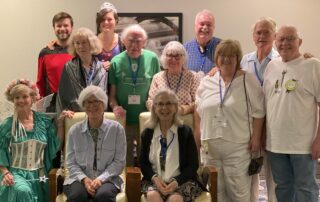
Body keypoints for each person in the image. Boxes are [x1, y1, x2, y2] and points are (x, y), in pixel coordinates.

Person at [195, 39, 265, 201]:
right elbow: (198, 112)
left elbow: (259, 112)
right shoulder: (207, 81)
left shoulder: (248, 80)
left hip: (238, 146)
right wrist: (197, 139)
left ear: (237, 58)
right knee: (216, 191)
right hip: (210, 147)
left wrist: (256, 138)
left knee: (238, 191)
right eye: (222, 55)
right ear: (216, 58)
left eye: (230, 55)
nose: (226, 59)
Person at [263, 25, 320, 202]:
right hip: (276, 144)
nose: (285, 43)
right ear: (275, 42)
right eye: (281, 39)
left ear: (299, 42)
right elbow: (267, 104)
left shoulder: (313, 66)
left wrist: (319, 139)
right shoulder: (271, 66)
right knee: (283, 188)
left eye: (290, 38)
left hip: (302, 144)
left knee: (306, 188)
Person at [0, 79, 63, 201]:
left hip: (40, 175)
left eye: (25, 96)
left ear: (33, 98)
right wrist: (5, 173)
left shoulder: (44, 122)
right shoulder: (7, 125)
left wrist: (60, 124)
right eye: (17, 97)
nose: (21, 100)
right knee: (23, 191)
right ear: (13, 100)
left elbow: (55, 145)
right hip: (16, 174)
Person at [63, 85, 126, 202]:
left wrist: (101, 179)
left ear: (104, 104)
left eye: (96, 101)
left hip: (109, 179)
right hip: (78, 179)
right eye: (88, 102)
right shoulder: (74, 131)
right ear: (83, 105)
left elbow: (119, 162)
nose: (92, 106)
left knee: (104, 195)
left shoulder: (117, 129)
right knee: (77, 195)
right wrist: (85, 179)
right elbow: (71, 162)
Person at [109, 24, 160, 166]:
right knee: (125, 161)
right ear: (124, 41)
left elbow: (158, 89)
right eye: (131, 40)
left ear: (144, 42)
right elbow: (111, 95)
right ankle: (127, 187)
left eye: (138, 41)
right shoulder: (116, 61)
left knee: (148, 159)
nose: (134, 45)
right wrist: (115, 107)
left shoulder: (153, 59)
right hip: (124, 120)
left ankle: (146, 186)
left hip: (147, 119)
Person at [140, 89, 204, 202]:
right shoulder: (147, 133)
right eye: (160, 104)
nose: (164, 108)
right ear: (154, 108)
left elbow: (193, 165)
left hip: (182, 181)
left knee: (175, 199)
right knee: (153, 196)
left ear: (175, 108)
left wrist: (176, 182)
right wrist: (155, 179)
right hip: (154, 181)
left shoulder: (185, 132)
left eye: (169, 103)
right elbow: (143, 163)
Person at [241, 17, 278, 202]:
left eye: (266, 32)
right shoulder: (244, 60)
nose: (262, 36)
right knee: (251, 170)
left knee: (273, 174)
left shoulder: (281, 61)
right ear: (253, 36)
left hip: (274, 123)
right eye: (258, 32)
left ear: (275, 35)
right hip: (250, 123)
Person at [56, 27, 108, 114]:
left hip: (97, 114)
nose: (80, 46)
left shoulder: (101, 68)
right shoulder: (69, 67)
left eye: (84, 43)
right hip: (75, 116)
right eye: (77, 43)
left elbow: (103, 94)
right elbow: (63, 96)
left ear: (91, 44)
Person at [147, 41, 199, 115]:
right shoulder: (157, 77)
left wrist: (183, 109)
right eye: (170, 55)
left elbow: (198, 102)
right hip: (162, 121)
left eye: (177, 56)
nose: (173, 59)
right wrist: (162, 110)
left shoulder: (193, 77)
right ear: (164, 57)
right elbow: (150, 101)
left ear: (183, 58)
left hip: (185, 122)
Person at [37, 12, 73, 111]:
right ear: (54, 28)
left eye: (66, 25)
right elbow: (40, 82)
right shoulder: (45, 52)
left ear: (71, 27)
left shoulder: (79, 51)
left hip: (75, 105)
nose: (62, 29)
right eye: (59, 26)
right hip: (52, 106)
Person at [184, 9, 221, 75]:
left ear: (213, 28)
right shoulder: (185, 48)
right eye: (202, 24)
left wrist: (220, 69)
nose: (205, 27)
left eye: (209, 25)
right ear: (195, 27)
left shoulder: (223, 47)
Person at [96, 2, 125, 71]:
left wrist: (113, 65)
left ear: (116, 21)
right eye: (103, 19)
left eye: (109, 19)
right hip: (97, 81)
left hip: (117, 81)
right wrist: (98, 65)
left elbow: (128, 64)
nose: (106, 22)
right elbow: (85, 64)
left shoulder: (123, 42)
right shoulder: (92, 41)